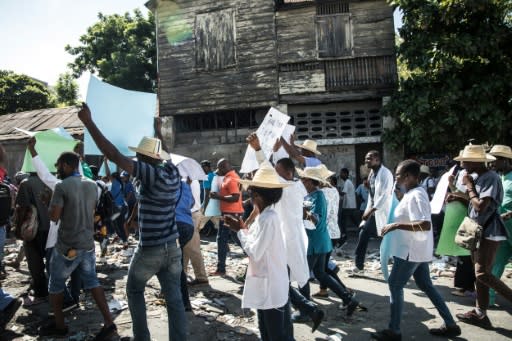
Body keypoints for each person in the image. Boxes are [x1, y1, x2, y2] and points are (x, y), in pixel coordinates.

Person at [78, 104, 186, 340]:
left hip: (151, 249)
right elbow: (164, 152)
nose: (135, 157)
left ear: (145, 158)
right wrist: (158, 131)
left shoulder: (150, 173)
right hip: (172, 248)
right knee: (175, 299)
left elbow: (115, 156)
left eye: (139, 154)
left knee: (134, 290)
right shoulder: (171, 172)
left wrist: (89, 123)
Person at [371, 160, 461, 341]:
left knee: (395, 285)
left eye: (398, 175)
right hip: (416, 251)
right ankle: (450, 323)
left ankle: (394, 331)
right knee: (426, 285)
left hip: (410, 252)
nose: (395, 178)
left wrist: (395, 225)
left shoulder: (417, 195)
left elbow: (424, 224)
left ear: (409, 176)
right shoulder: (412, 193)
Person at [247, 133, 324, 332]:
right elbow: (269, 171)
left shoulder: (289, 187)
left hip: (288, 238)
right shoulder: (294, 185)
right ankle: (308, 307)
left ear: (288, 174)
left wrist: (257, 149)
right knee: (293, 275)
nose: (276, 176)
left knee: (291, 277)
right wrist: (273, 151)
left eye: (279, 173)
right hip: (287, 237)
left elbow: (267, 171)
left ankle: (307, 309)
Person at [39, 151, 117, 339]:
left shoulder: (62, 186)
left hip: (68, 246)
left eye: (58, 166)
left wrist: (47, 202)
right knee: (92, 282)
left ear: (66, 165)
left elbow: (54, 217)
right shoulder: (92, 185)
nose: (57, 170)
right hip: (87, 244)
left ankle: (60, 325)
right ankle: (109, 322)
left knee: (55, 285)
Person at [224, 161, 293, 341]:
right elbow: (255, 243)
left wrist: (239, 230)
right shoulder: (265, 216)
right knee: (267, 332)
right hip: (266, 283)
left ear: (257, 196)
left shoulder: (268, 218)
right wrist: (241, 229)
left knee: (275, 335)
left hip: (271, 286)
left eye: (251, 194)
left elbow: (254, 251)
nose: (249, 197)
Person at [454, 144, 512, 329]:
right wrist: (460, 195)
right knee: (479, 276)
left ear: (475, 162)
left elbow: (481, 206)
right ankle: (480, 314)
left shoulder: (491, 178)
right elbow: (473, 203)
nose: (462, 163)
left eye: (465, 160)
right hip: (477, 231)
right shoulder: (478, 176)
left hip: (490, 231)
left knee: (482, 273)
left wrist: (469, 187)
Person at [296, 166, 359, 316]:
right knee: (320, 273)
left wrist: (304, 213)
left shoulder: (317, 196)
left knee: (303, 276)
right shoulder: (310, 195)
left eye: (303, 179)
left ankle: (305, 311)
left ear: (311, 182)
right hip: (320, 241)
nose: (301, 182)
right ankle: (348, 298)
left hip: (315, 242)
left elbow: (316, 219)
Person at [350, 150, 393, 275]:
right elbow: (371, 195)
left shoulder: (386, 174)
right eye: (365, 159)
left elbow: (385, 194)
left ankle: (400, 263)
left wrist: (371, 210)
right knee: (363, 234)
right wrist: (368, 210)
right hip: (374, 212)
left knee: (390, 239)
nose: (366, 161)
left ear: (377, 160)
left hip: (382, 211)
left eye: (369, 159)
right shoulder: (372, 174)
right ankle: (359, 266)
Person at [15, 168, 52, 306]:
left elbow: (22, 207)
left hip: (34, 228)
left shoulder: (26, 183)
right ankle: (55, 289)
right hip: (52, 227)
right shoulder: (52, 181)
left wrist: (18, 228)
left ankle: (41, 291)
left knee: (35, 261)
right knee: (51, 260)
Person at [210, 158, 244, 276]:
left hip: (230, 213)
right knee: (238, 238)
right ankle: (255, 258)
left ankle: (221, 269)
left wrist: (218, 197)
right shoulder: (232, 176)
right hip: (231, 212)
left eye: (219, 168)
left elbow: (235, 197)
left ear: (224, 167)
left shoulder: (231, 179)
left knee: (222, 240)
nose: (218, 171)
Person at [488, 145, 512, 306]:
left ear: (506, 160)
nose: (492, 163)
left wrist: (506, 215)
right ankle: (488, 299)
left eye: (496, 160)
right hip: (502, 229)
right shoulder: (499, 178)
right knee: (495, 264)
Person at [183, 178, 208, 286]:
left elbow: (189, 202)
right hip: (194, 214)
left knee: (192, 248)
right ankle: (183, 275)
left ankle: (201, 276)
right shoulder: (194, 181)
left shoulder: (186, 181)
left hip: (190, 215)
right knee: (187, 248)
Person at [339, 168, 359, 245]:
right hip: (349, 205)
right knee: (353, 220)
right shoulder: (347, 182)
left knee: (342, 220)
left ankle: (344, 235)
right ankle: (363, 230)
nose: (340, 175)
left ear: (346, 174)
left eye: (342, 173)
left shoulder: (347, 182)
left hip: (348, 206)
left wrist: (335, 189)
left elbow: (343, 193)